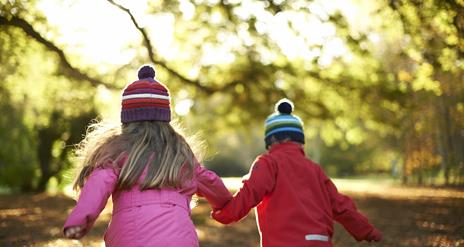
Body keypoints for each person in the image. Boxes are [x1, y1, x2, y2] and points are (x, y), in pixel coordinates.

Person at [63, 65, 232, 247]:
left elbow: (99, 183)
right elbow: (208, 180)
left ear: (127, 118)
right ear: (165, 117)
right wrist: (227, 205)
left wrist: (78, 222)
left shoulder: (118, 149)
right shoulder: (178, 150)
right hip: (179, 238)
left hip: (129, 237)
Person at [212, 98, 382, 247]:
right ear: (301, 142)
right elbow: (341, 205)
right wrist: (367, 231)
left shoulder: (269, 163)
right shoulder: (315, 170)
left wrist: (224, 213)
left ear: (271, 141)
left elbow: (249, 193)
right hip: (320, 241)